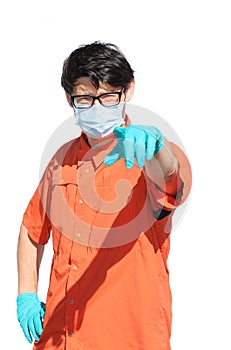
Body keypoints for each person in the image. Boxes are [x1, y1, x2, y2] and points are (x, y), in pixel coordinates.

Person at [17, 41, 192, 350]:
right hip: (60, 337)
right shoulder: (61, 160)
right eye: (84, 98)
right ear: (69, 99)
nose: (96, 107)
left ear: (128, 90)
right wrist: (26, 294)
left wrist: (158, 148)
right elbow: (32, 230)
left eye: (108, 96)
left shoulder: (148, 155)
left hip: (129, 337)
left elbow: (170, 180)